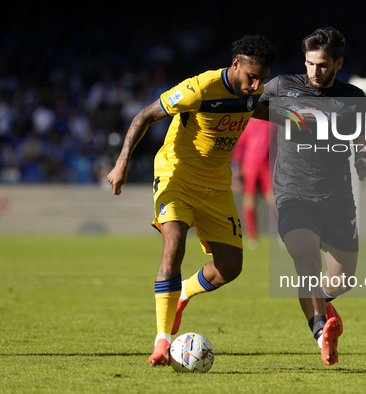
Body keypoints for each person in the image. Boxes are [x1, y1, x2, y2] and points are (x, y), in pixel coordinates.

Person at [106, 35, 277, 366]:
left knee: (231, 268)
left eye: (262, 79)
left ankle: (184, 292)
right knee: (174, 244)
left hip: (216, 184)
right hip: (176, 174)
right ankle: (162, 341)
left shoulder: (251, 90)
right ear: (236, 64)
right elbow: (144, 115)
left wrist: (301, 120)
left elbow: (253, 108)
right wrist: (122, 161)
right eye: (251, 76)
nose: (256, 84)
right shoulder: (199, 88)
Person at [255, 26, 366, 366]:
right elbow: (249, 104)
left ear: (338, 63)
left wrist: (363, 157)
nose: (314, 72)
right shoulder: (282, 87)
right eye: (309, 64)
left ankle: (319, 302)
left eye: (322, 65)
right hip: (293, 192)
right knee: (305, 258)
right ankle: (322, 331)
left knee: (345, 277)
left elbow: (364, 138)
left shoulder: (353, 97)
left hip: (336, 196)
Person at [231, 118, 273, 249]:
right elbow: (239, 147)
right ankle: (252, 237)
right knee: (249, 200)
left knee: (274, 200)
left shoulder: (271, 123)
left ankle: (282, 234)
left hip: (267, 165)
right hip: (249, 166)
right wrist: (236, 171)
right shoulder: (246, 123)